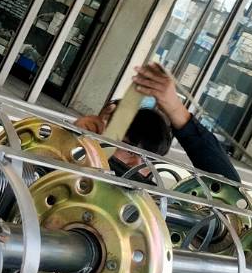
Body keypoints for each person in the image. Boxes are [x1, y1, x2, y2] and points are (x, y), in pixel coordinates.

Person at [76, 62, 239, 183]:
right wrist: (78, 139)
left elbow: (228, 188)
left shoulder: (148, 204)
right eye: (130, 151)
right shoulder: (74, 166)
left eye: (149, 160)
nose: (136, 165)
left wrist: (176, 110)